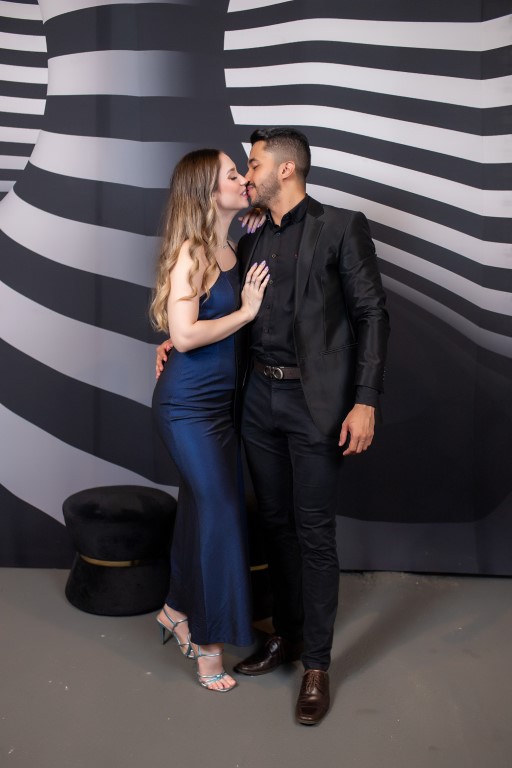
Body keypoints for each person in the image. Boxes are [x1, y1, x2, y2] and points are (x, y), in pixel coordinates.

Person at [157, 127, 389, 722]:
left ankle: (317, 664)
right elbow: (224, 309)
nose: (246, 174)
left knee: (314, 533)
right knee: (277, 525)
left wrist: (365, 400)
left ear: (285, 169)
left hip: (316, 404)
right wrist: (176, 342)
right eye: (239, 168)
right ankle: (285, 635)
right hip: (255, 401)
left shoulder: (341, 226)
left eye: (253, 164)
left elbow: (371, 314)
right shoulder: (250, 236)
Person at [150, 148, 269, 693]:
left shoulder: (230, 246)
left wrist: (257, 208)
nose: (243, 179)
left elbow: (189, 328)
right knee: (221, 512)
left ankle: (176, 610)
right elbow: (187, 334)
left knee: (202, 508)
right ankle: (208, 643)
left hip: (222, 409)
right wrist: (245, 312)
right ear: (206, 191)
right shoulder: (192, 252)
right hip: (186, 408)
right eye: (232, 174)